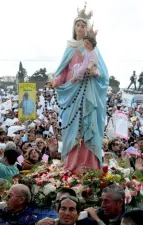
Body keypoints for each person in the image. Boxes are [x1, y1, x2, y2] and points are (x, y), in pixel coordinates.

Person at [48, 4, 108, 173]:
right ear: (74, 27)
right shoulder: (70, 47)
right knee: (71, 127)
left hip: (88, 92)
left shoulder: (92, 49)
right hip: (72, 92)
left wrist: (94, 72)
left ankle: (90, 166)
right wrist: (57, 80)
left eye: (84, 25)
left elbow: (104, 74)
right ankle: (71, 166)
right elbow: (63, 70)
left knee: (88, 126)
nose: (80, 28)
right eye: (78, 25)